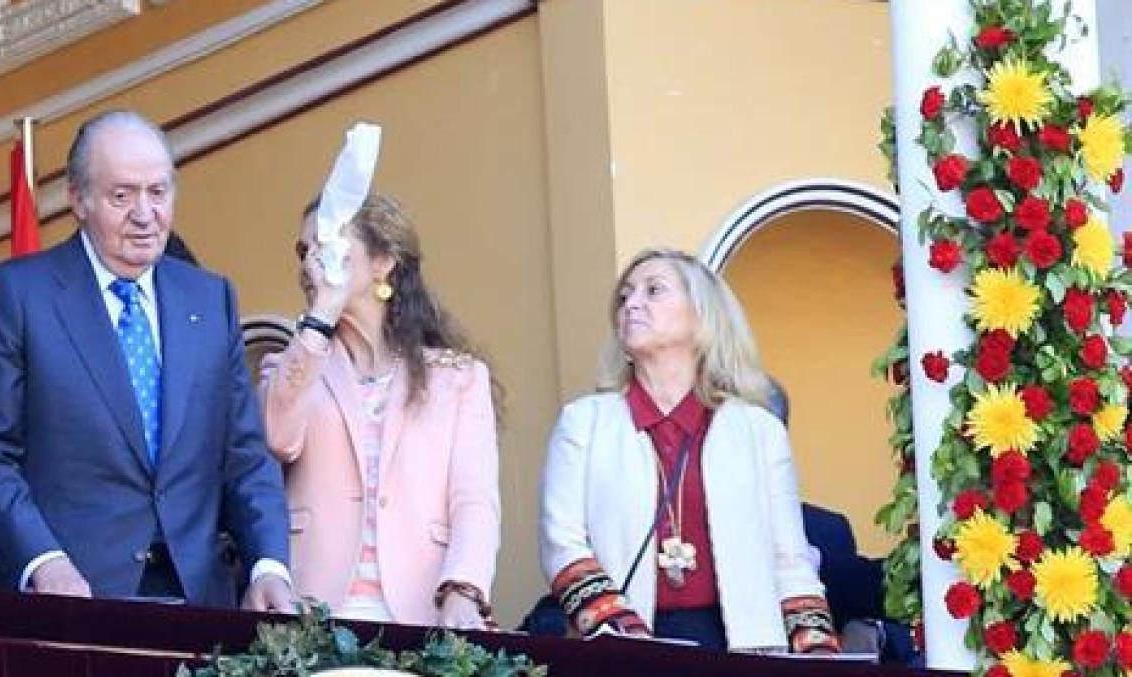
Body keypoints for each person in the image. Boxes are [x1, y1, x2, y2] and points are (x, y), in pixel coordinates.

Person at [0, 110, 293, 609]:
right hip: (71, 599)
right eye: (122, 196)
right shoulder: (18, 295)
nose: (145, 214)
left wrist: (268, 566)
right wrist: (42, 560)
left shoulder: (210, 298)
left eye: (158, 192)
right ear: (78, 200)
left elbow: (245, 454)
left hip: (198, 600)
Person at [538, 248, 837, 653]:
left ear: (702, 317)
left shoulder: (759, 431)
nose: (632, 304)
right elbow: (562, 541)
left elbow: (791, 561)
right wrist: (623, 634)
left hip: (741, 651)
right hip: (621, 647)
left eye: (653, 290)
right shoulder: (583, 423)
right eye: (625, 297)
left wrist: (817, 652)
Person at [260, 194, 499, 629]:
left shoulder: (459, 377)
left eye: (326, 244)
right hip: (312, 615)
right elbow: (278, 438)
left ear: (383, 262)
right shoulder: (291, 366)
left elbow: (474, 499)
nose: (311, 262)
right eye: (304, 251)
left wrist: (464, 590)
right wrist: (321, 316)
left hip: (425, 613)